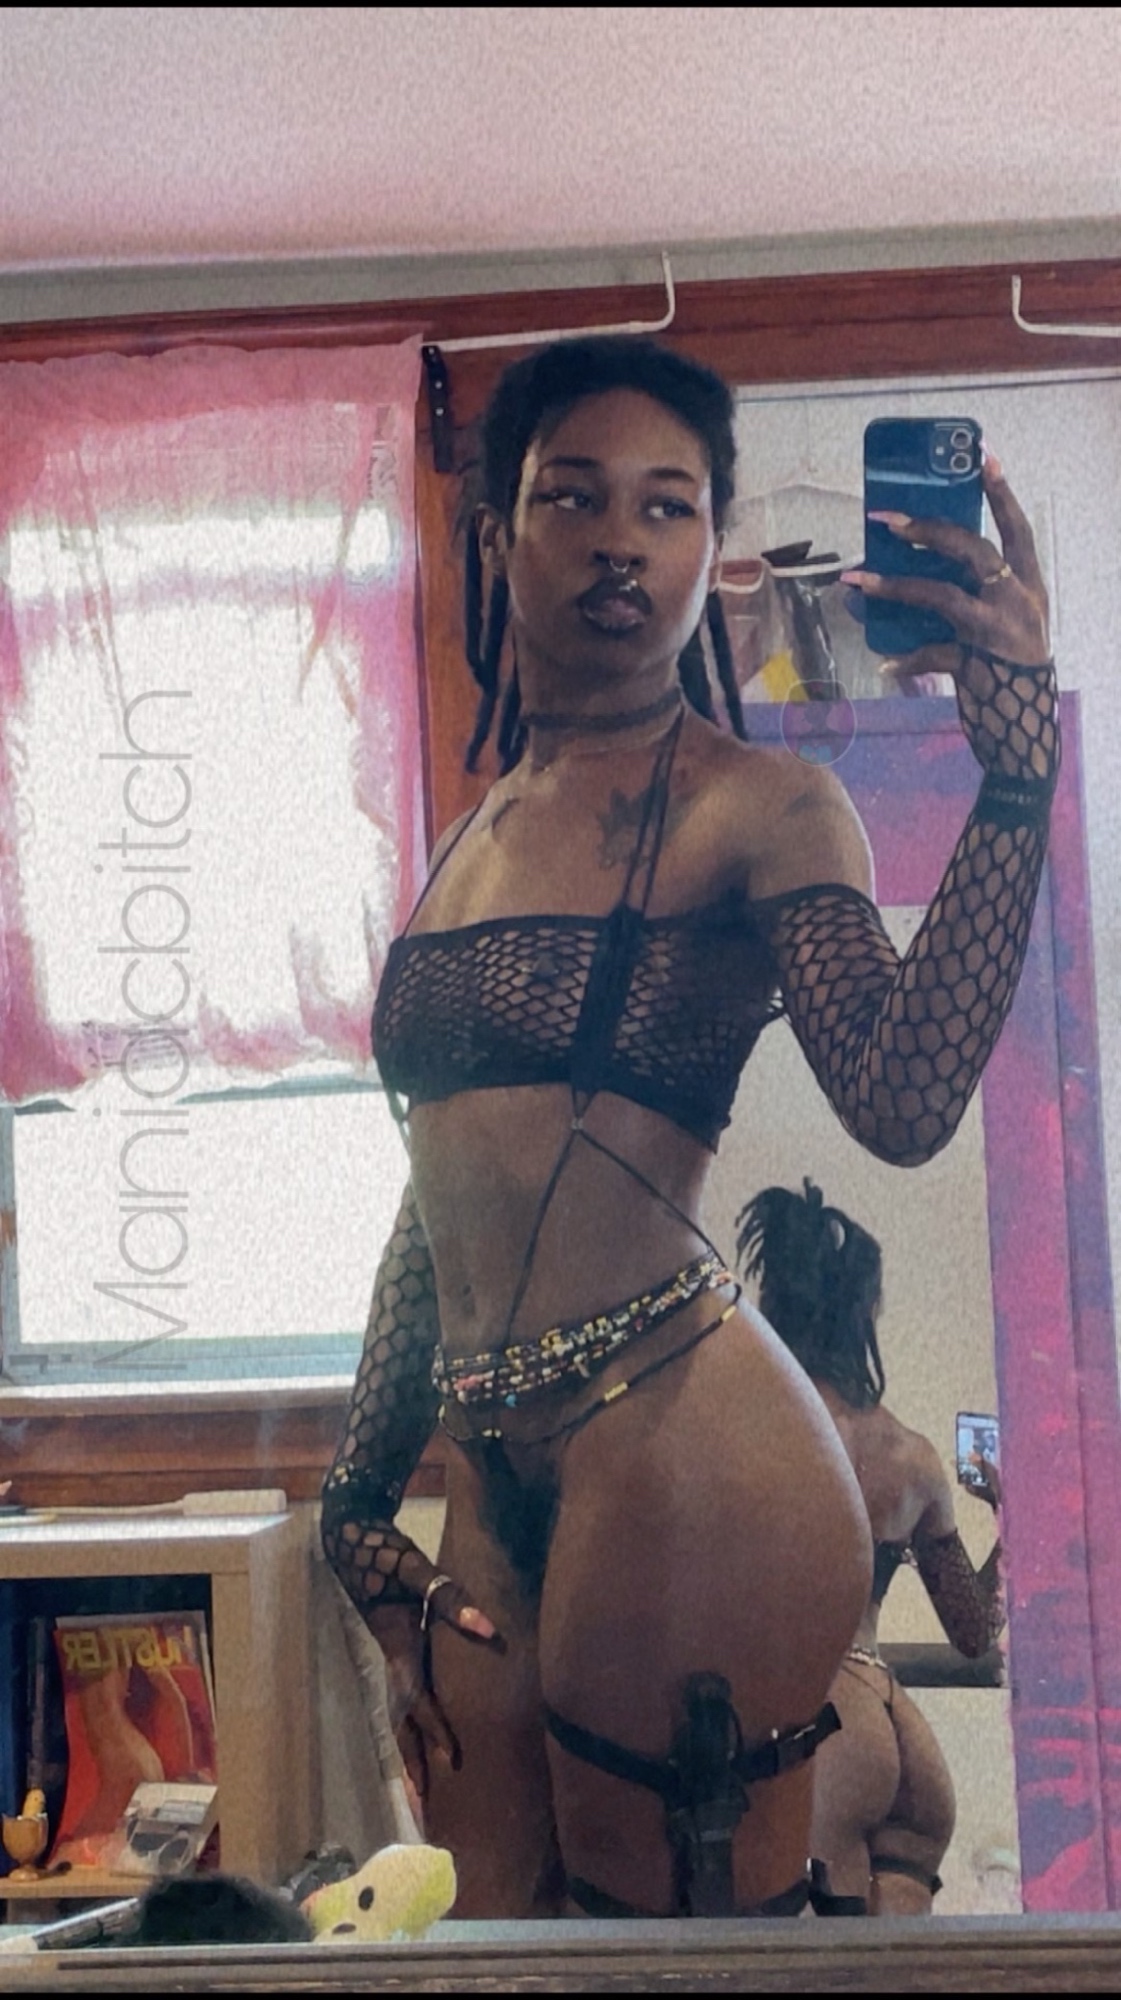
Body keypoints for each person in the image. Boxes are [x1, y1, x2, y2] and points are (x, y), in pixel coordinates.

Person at [320, 335, 1057, 1920]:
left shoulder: (761, 807)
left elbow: (905, 1097)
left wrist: (1014, 785)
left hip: (681, 1444)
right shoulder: (470, 838)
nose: (619, 542)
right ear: (494, 532)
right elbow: (441, 1184)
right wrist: (355, 1505)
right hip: (491, 1456)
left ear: (707, 547)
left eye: (666, 507)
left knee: (676, 1951)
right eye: (572, 496)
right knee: (494, 1937)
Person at [735, 1179, 1004, 1915]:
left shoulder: (762, 1433)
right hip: (901, 1732)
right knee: (901, 1961)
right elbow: (974, 1630)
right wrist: (1007, 1522)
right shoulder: (910, 1455)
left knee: (828, 1961)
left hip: (827, 1720)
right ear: (864, 1313)